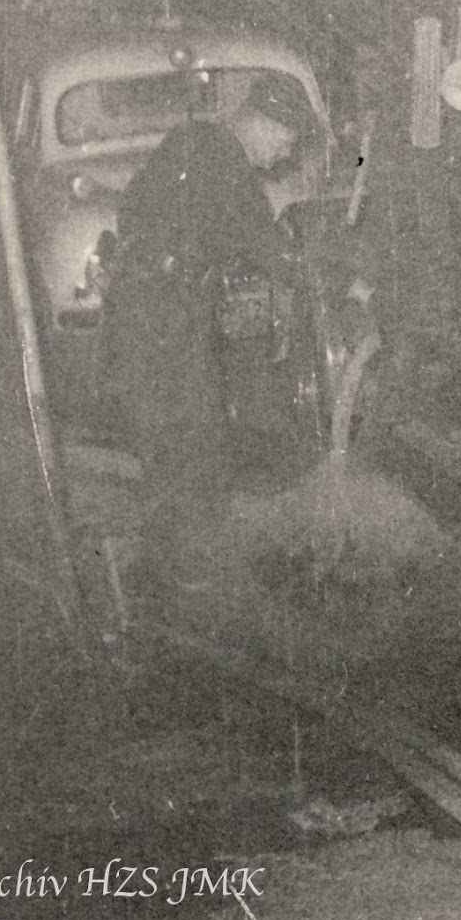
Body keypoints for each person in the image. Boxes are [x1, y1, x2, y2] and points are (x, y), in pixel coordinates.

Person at [105, 80, 309, 584]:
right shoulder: (224, 161)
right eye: (285, 142)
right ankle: (186, 566)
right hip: (164, 316)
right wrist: (321, 274)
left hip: (146, 308)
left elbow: (133, 209)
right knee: (194, 435)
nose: (284, 155)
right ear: (264, 124)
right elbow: (259, 238)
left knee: (169, 434)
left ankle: (169, 556)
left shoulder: (191, 142)